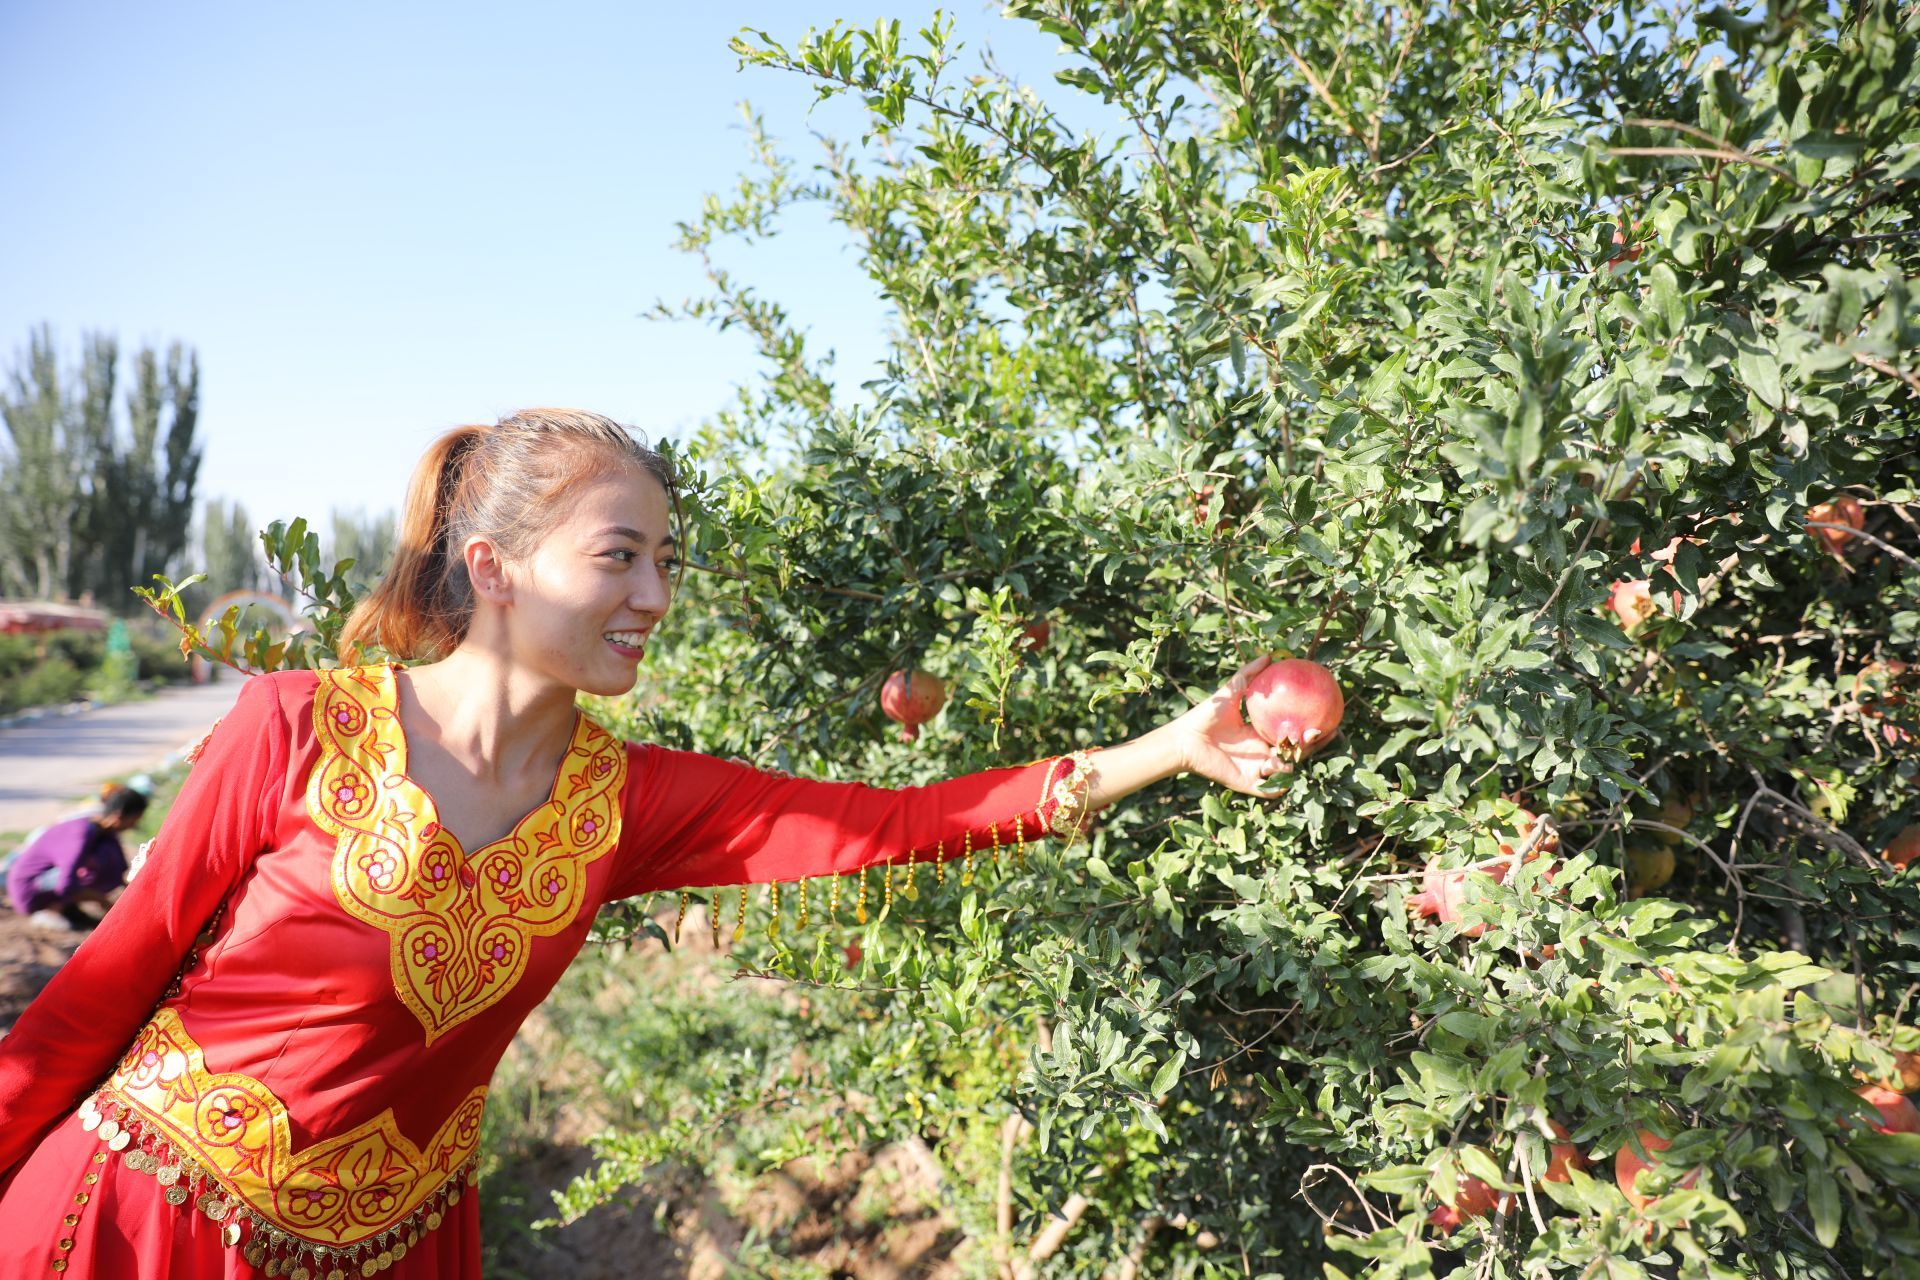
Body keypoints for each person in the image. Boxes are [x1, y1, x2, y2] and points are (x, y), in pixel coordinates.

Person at [0, 408, 1285, 1279]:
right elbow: (109, 981)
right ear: (494, 564)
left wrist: (1169, 746)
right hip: (143, 1219)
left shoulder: (630, 799)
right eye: (621, 555)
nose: (656, 597)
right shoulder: (296, 726)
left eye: (666, 559)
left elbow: (898, 825)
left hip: (391, 1244)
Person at [6, 784, 149, 931]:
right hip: (28, 891)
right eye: (134, 819)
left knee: (107, 857)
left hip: (52, 881)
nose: (134, 825)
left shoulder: (106, 834)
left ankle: (66, 906)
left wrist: (137, 900)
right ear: (118, 816)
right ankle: (52, 910)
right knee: (79, 874)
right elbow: (66, 883)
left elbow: (120, 870)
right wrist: (102, 901)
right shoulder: (80, 834)